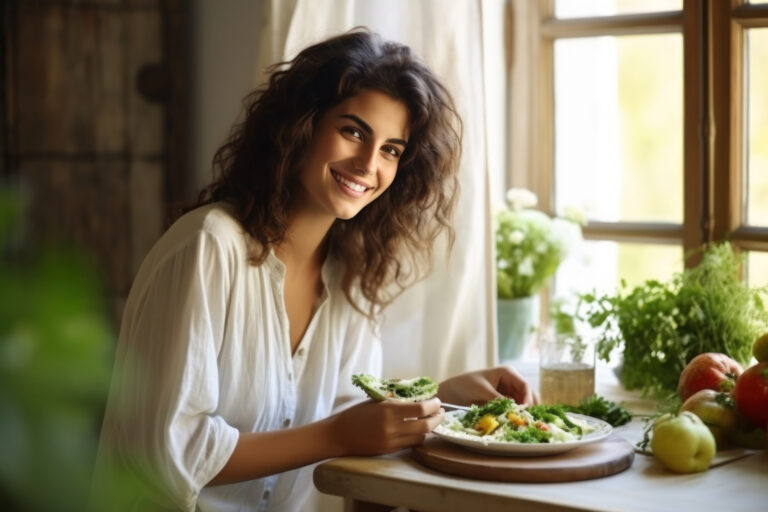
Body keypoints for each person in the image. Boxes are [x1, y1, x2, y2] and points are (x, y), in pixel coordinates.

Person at [93, 29, 537, 512]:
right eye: (353, 131)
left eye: (391, 149)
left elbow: (345, 414)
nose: (369, 164)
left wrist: (442, 399)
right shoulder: (208, 247)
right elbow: (174, 450)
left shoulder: (352, 277)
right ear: (301, 126)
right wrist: (336, 435)